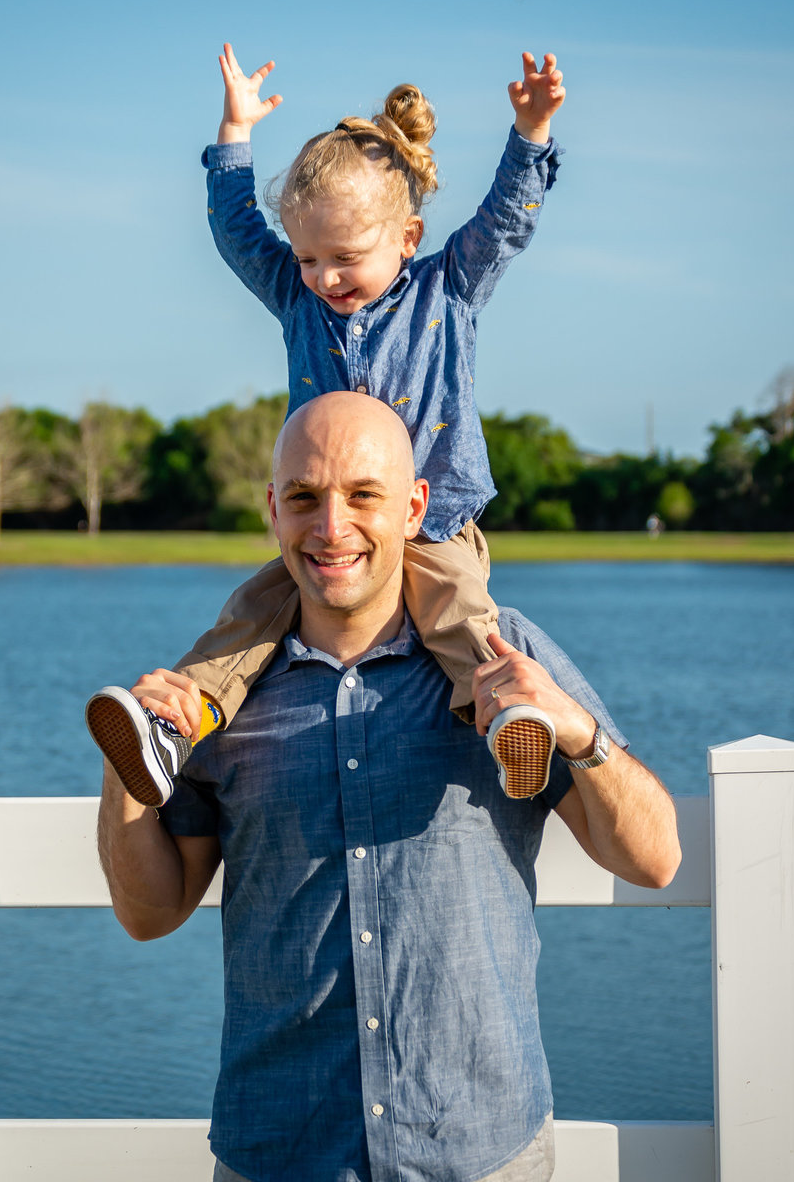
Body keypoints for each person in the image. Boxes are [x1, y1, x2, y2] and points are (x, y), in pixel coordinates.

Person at [97, 392, 682, 1182]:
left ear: (414, 508)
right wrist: (126, 763)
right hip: (281, 1149)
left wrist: (578, 732)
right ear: (273, 508)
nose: (331, 527)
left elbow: (653, 858)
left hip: (478, 1149)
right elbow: (149, 912)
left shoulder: (501, 664)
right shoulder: (217, 698)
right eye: (304, 497)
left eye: (362, 495)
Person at [86, 42, 568, 808]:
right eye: (308, 258)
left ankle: (510, 718)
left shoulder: (449, 286)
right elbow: (239, 233)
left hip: (433, 524)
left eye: (343, 258)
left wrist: (532, 131)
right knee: (252, 613)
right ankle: (174, 727)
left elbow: (507, 219)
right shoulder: (299, 301)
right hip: (326, 531)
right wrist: (234, 135)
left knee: (461, 618)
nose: (323, 278)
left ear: (407, 238)